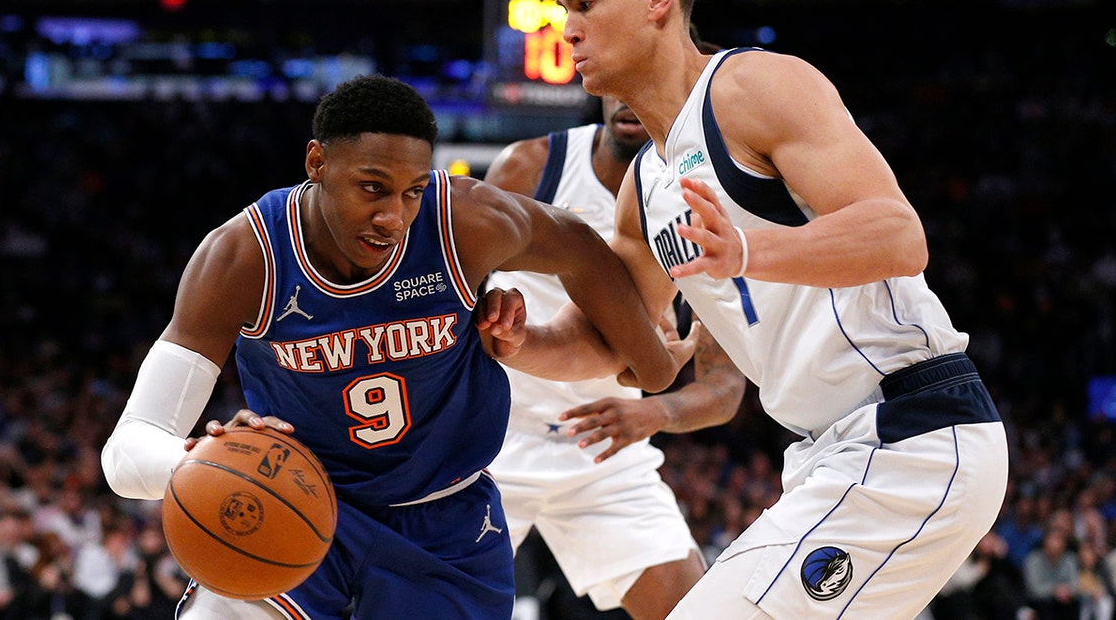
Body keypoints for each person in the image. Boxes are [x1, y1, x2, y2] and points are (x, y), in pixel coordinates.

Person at [480, 0, 1010, 617]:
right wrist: (517, 341)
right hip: (831, 452)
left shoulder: (751, 87)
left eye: (586, 4)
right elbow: (613, 343)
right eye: (565, 11)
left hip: (914, 429)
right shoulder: (643, 189)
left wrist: (749, 252)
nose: (568, 29)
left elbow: (898, 235)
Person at [100, 74, 694, 620]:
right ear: (317, 162)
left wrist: (653, 364)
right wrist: (200, 461)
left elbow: (582, 248)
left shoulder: (462, 220)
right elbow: (126, 453)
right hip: (299, 499)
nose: (393, 216)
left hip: (448, 518)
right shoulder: (243, 256)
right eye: (372, 188)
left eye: (411, 191)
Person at [484, 89, 746, 619]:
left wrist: (658, 410)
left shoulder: (700, 209)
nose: (633, 100)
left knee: (695, 611)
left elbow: (724, 388)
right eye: (624, 86)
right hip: (488, 443)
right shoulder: (532, 166)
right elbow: (445, 300)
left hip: (602, 455)